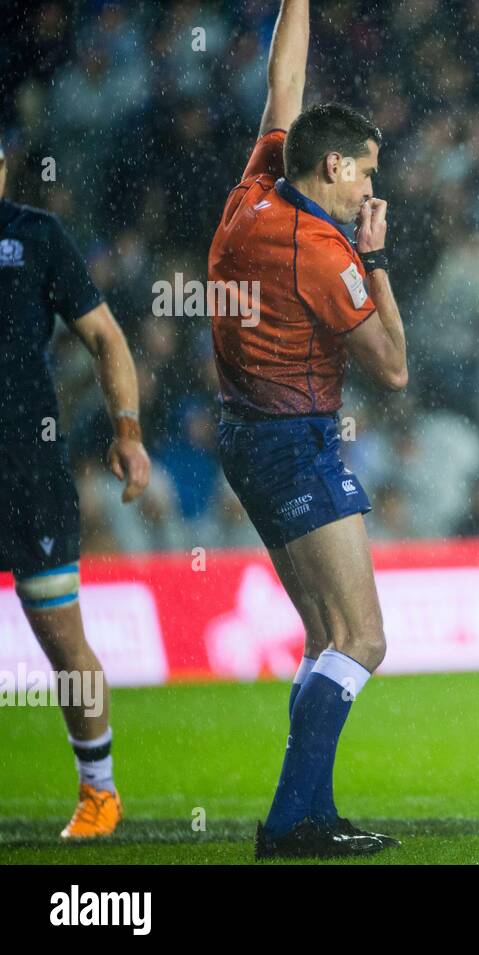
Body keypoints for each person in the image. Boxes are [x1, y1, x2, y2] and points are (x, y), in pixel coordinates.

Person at [207, 0, 407, 859]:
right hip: (295, 439)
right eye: (364, 172)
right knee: (363, 638)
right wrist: (376, 257)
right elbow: (394, 369)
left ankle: (310, 811)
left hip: (247, 434)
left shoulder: (256, 187)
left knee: (326, 637)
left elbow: (279, 87)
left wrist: (298, 3)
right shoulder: (320, 253)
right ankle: (291, 821)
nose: (370, 186)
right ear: (333, 167)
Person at [0, 141, 151, 839]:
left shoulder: (36, 237)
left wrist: (127, 431)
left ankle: (100, 791)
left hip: (26, 471)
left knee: (64, 641)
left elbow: (107, 338)